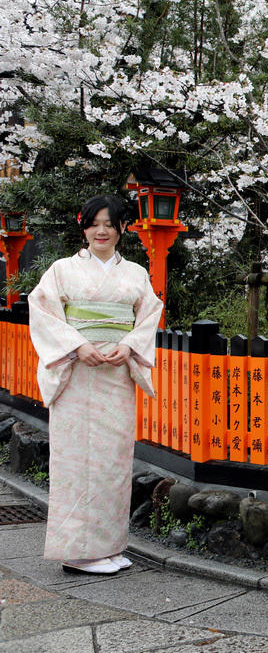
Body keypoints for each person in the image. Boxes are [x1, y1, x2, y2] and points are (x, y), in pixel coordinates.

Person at [28, 195, 163, 575]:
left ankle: (107, 546)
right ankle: (77, 550)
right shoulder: (61, 270)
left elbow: (149, 314)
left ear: (123, 228)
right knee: (76, 459)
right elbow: (42, 312)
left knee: (113, 459)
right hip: (77, 373)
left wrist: (129, 345)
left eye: (110, 223)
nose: (101, 231)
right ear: (83, 226)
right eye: (93, 223)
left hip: (116, 373)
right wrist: (77, 345)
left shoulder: (136, 273)